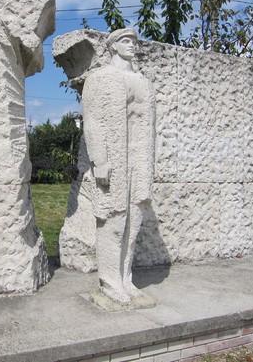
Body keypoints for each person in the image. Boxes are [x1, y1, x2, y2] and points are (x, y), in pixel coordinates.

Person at [82, 28, 156, 305]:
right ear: (113, 46)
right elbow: (92, 121)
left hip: (138, 156)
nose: (132, 45)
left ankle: (126, 278)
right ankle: (109, 281)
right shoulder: (100, 78)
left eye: (135, 41)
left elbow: (150, 125)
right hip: (113, 158)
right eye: (126, 41)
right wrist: (99, 160)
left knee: (134, 219)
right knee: (113, 221)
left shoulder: (143, 81)